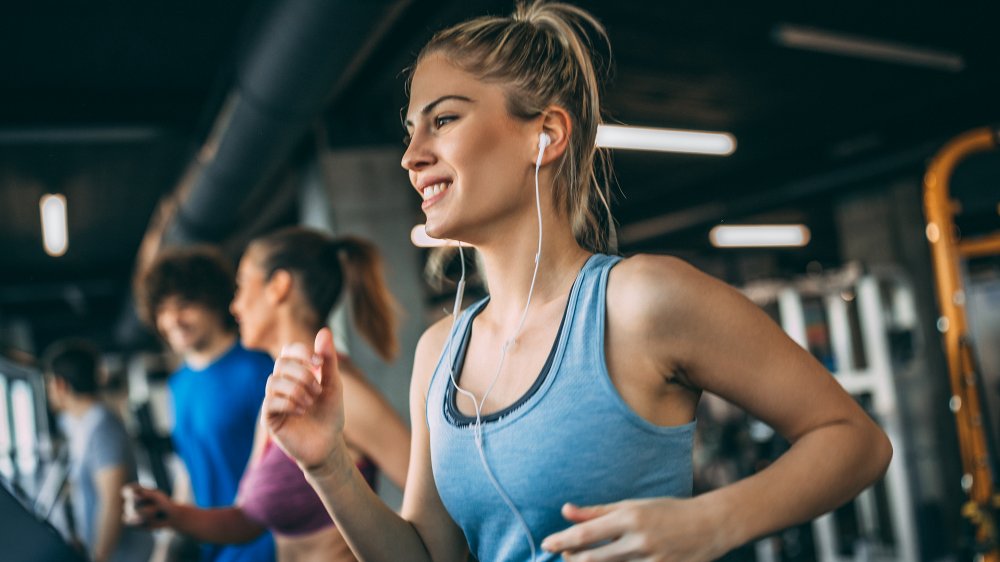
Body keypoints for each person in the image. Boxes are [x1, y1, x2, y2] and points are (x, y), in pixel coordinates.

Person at [263, 2, 894, 561]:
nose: (411, 155)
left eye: (444, 120)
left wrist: (712, 521)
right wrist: (329, 466)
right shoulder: (439, 354)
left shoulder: (641, 303)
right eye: (410, 131)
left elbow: (855, 441)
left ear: (546, 134)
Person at [126, 228, 410, 562]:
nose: (234, 305)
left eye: (243, 285)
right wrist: (169, 513)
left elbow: (439, 500)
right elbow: (247, 519)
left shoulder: (338, 391)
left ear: (278, 287)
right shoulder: (277, 392)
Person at [138, 246, 276, 562]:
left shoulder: (260, 369)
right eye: (162, 309)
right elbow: (192, 467)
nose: (172, 319)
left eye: (185, 305)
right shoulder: (178, 384)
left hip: (262, 545)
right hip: (208, 546)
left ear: (215, 303)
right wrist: (166, 546)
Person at [43, 340, 153, 562]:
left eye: (48, 383)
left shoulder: (102, 426)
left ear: (60, 384)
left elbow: (113, 500)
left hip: (124, 556)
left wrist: (99, 557)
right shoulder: (80, 424)